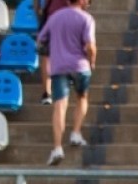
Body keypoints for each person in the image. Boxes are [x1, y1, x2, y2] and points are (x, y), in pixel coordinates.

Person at [38, 0, 95, 166]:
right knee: (82, 98)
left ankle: (57, 147)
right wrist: (92, 62)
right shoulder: (87, 18)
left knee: (59, 106)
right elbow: (90, 46)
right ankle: (75, 133)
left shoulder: (55, 17)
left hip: (59, 66)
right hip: (80, 66)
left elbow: (42, 39)